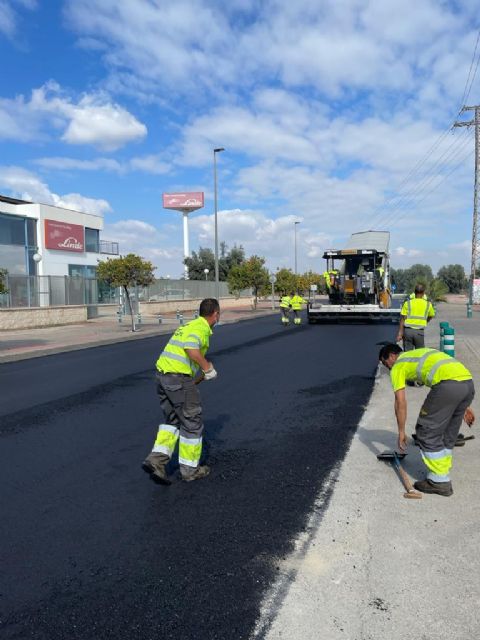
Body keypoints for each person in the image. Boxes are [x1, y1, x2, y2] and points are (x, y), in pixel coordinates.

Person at [379, 343, 475, 497]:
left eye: (385, 364)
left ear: (391, 356)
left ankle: (439, 481)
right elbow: (449, 374)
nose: (388, 368)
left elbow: (400, 402)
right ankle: (443, 470)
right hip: (467, 384)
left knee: (425, 431)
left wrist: (401, 432)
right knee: (447, 433)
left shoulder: (398, 366)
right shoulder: (419, 354)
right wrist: (463, 405)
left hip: (449, 385)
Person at [142, 298, 220, 485]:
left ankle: (156, 460)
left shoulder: (189, 325)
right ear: (215, 314)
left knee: (173, 420)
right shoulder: (200, 328)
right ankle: (190, 471)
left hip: (162, 377)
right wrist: (207, 368)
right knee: (192, 422)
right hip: (178, 379)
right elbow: (191, 349)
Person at [396, 283, 435, 351]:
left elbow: (402, 319)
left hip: (408, 332)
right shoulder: (428, 304)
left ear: (414, 292)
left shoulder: (407, 303)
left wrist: (400, 333)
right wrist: (426, 321)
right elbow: (431, 315)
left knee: (408, 354)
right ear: (423, 293)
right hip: (419, 332)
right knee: (419, 354)